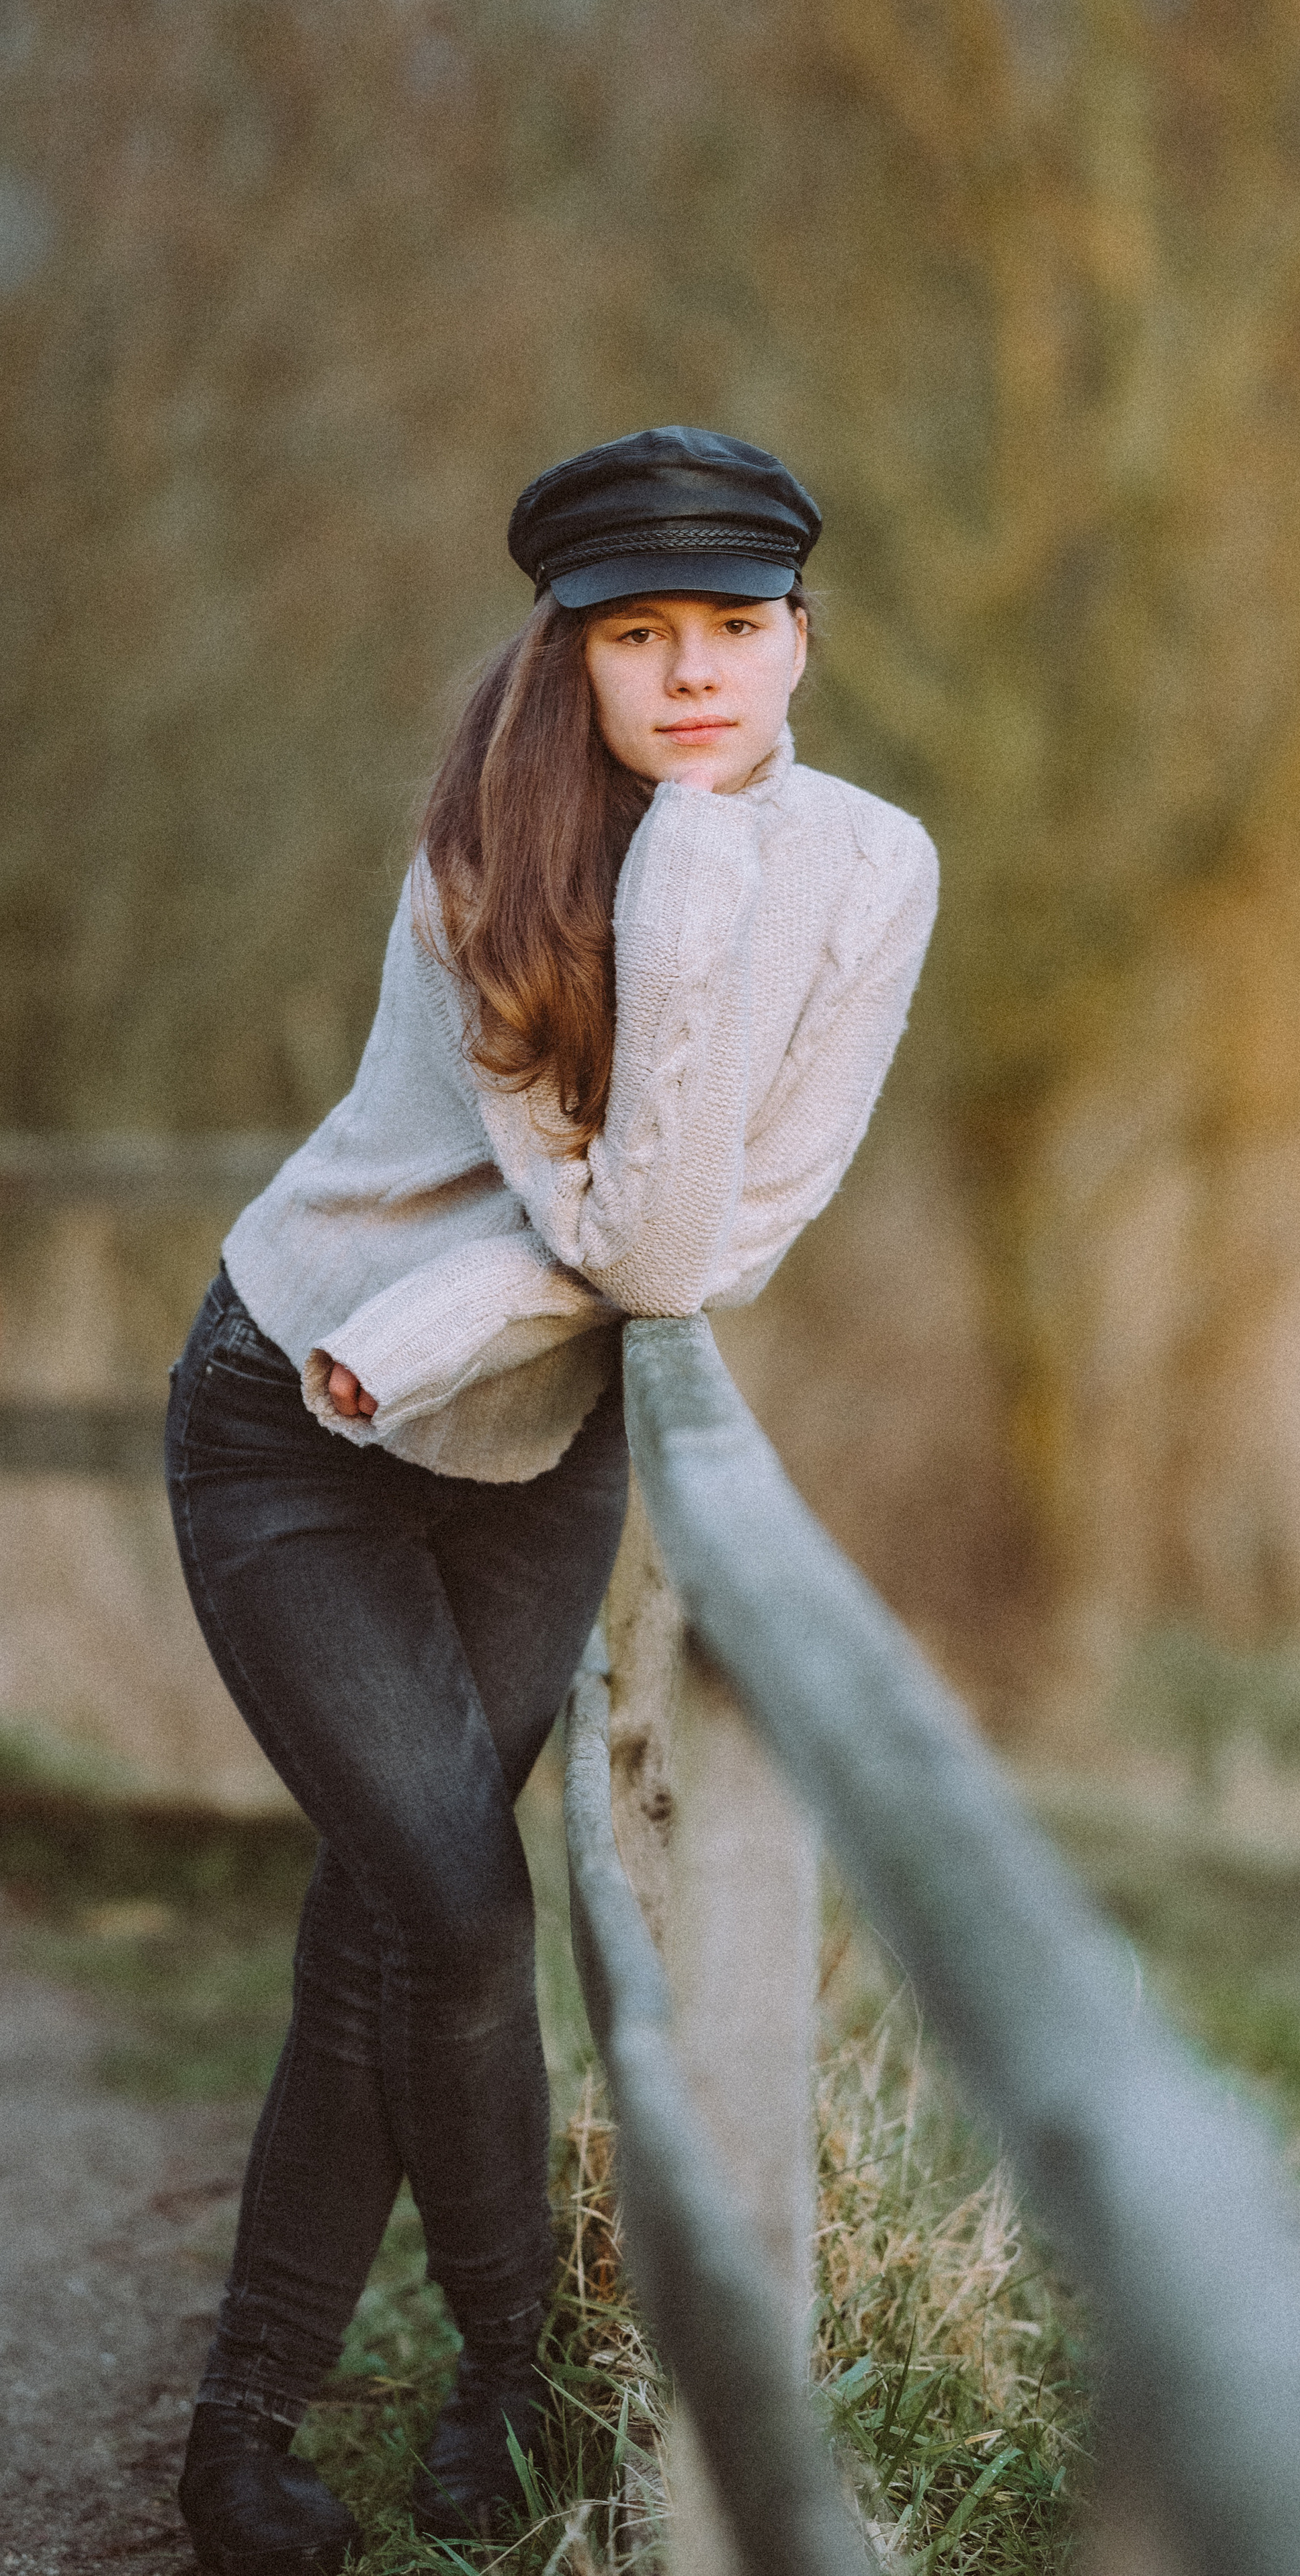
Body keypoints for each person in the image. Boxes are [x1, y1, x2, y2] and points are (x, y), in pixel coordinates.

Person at [164, 425, 938, 2572]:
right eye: (639, 637)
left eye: (737, 627)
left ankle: (245, 2432)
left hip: (525, 1449)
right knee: (455, 1903)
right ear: (571, 657)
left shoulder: (878, 869)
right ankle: (517, 2370)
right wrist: (690, 862)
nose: (695, 672)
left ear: (806, 632)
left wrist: (453, 1338)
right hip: (289, 1419)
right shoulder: (485, 858)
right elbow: (625, 1228)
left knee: (386, 1915)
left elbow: (704, 1245)